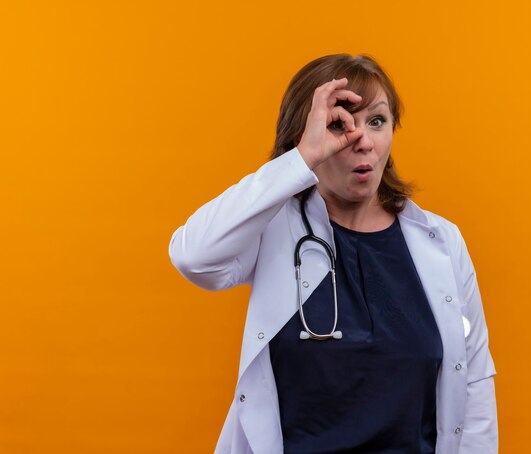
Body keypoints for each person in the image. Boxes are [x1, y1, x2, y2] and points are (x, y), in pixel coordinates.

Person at [169, 54, 497, 454]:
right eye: (338, 124)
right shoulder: (273, 231)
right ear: (303, 137)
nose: (361, 140)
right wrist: (300, 160)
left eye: (377, 121)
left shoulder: (441, 242)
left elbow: (475, 381)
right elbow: (194, 256)